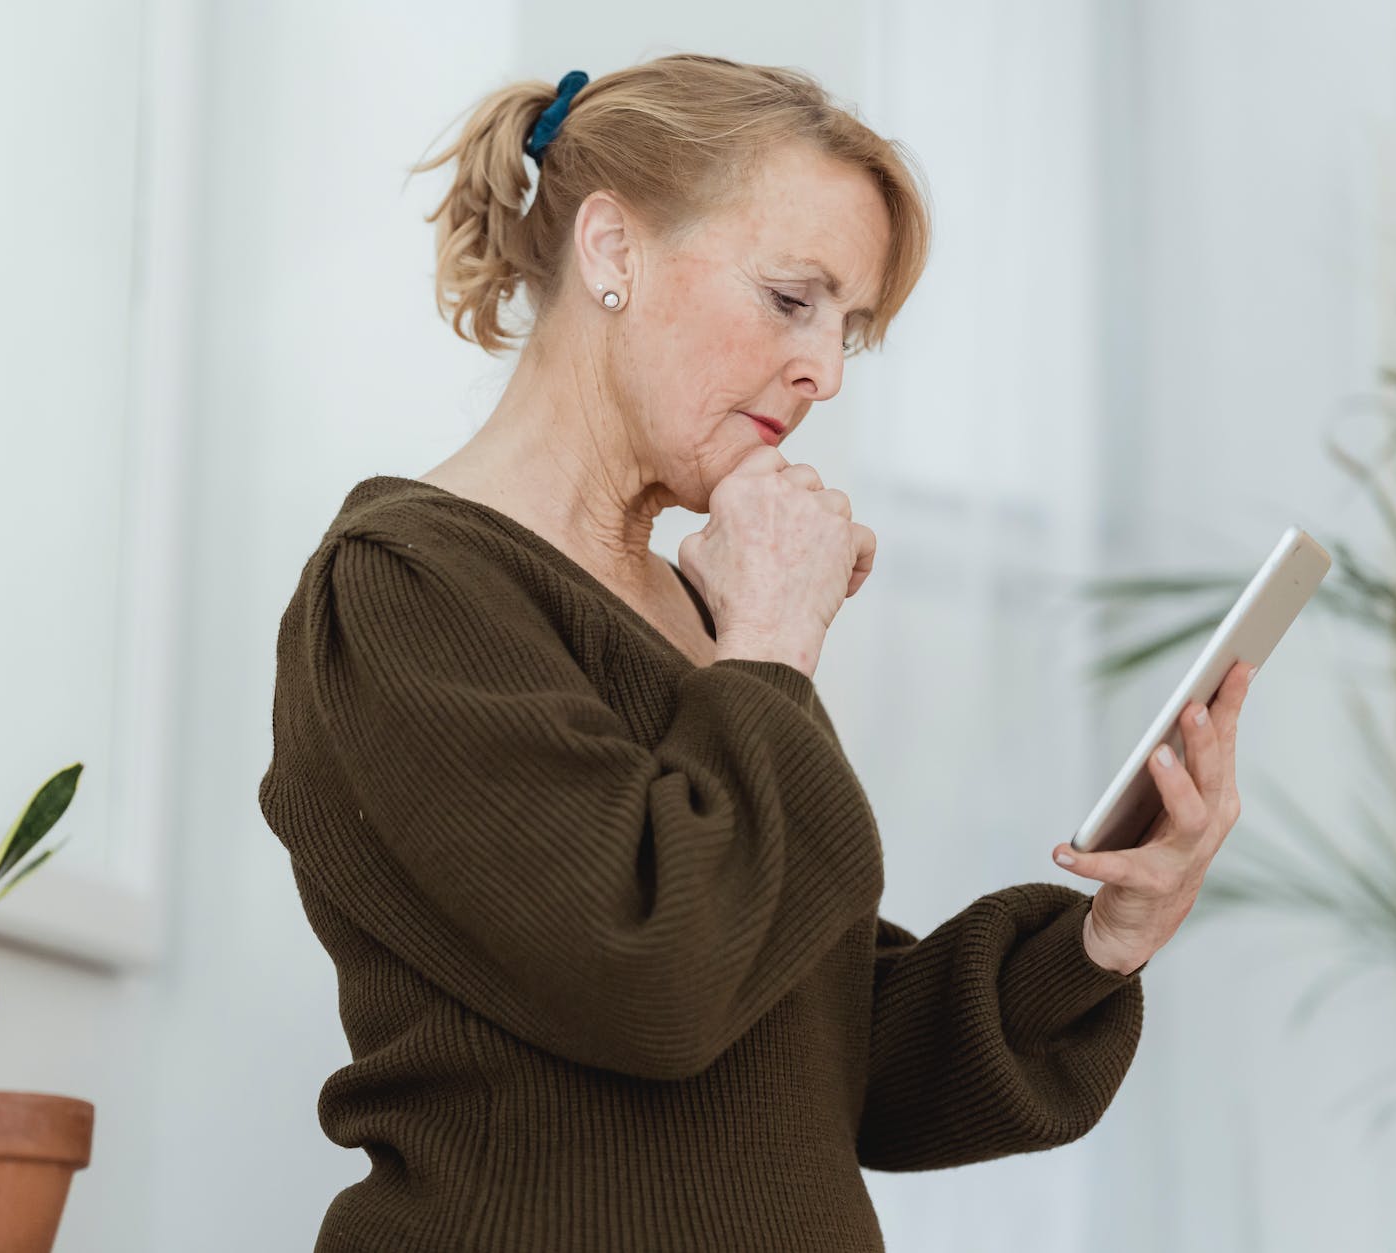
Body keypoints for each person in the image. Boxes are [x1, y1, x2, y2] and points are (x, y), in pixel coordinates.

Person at [260, 52, 1250, 1252]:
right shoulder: (402, 589)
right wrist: (774, 641)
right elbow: (661, 973)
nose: (825, 372)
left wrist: (1098, 941)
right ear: (613, 251)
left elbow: (808, 1038)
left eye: (850, 330)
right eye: (792, 299)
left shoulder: (700, 616)